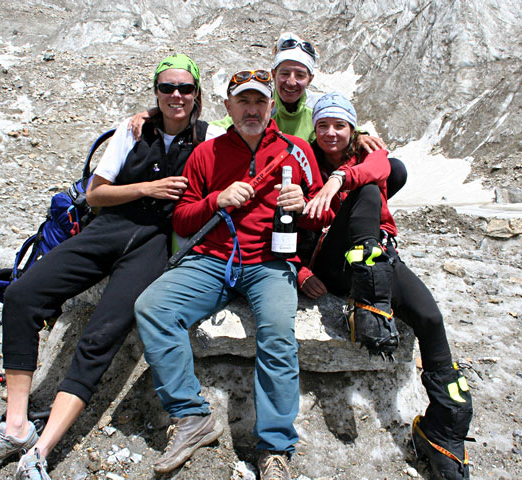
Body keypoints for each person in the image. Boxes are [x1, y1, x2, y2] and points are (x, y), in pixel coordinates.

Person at [0, 54, 224, 480]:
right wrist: (148, 187)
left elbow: (259, 126)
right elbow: (97, 194)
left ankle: (41, 449)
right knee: (22, 295)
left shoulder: (212, 139)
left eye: (186, 89)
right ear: (156, 91)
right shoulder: (133, 129)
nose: (176, 96)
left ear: (198, 95)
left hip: (155, 244)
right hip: (108, 228)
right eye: (167, 88)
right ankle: (16, 426)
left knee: (102, 334)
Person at [134, 69, 332, 480]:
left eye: (260, 101)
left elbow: (322, 216)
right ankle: (191, 417)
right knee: (152, 307)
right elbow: (184, 221)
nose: (252, 109)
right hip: (211, 260)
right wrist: (214, 200)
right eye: (243, 101)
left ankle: (274, 447)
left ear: (271, 105)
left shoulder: (297, 150)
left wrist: (303, 205)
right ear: (228, 107)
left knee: (278, 333)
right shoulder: (206, 153)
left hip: (270, 263)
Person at [300, 92, 474, 480]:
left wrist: (340, 177)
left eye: (339, 125)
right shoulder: (304, 160)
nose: (330, 133)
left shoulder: (364, 156)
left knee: (430, 317)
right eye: (323, 125)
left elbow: (387, 165)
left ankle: (446, 428)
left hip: (375, 258)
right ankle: (367, 297)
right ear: (314, 129)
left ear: (353, 129)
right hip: (332, 261)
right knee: (366, 190)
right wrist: (299, 270)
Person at [129, 32, 408, 198]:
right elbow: (215, 126)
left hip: (311, 184)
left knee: (394, 169)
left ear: (310, 79)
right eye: (284, 73)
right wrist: (160, 113)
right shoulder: (259, 110)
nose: (291, 81)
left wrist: (361, 136)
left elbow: (337, 131)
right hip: (273, 190)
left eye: (299, 75)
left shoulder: (315, 110)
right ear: (273, 75)